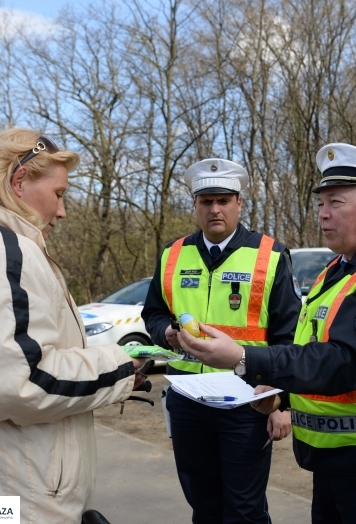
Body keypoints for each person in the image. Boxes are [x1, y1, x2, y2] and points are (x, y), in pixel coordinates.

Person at [175, 143, 356, 524]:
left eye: (335, 203)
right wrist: (279, 393)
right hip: (337, 457)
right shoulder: (339, 270)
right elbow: (309, 348)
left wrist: (244, 358)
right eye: (320, 203)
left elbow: (342, 362)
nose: (322, 214)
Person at [0, 129, 145, 524]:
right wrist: (123, 366)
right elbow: (18, 382)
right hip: (9, 496)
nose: (62, 211)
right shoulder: (3, 251)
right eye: (58, 194)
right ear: (19, 182)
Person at [141, 158, 300, 524]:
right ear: (195, 205)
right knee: (204, 505)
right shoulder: (172, 254)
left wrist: (281, 402)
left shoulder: (270, 255)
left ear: (239, 203)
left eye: (224, 200)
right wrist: (164, 331)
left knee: (244, 509)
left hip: (245, 401)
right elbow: (152, 312)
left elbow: (289, 336)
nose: (215, 209)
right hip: (187, 400)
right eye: (206, 201)